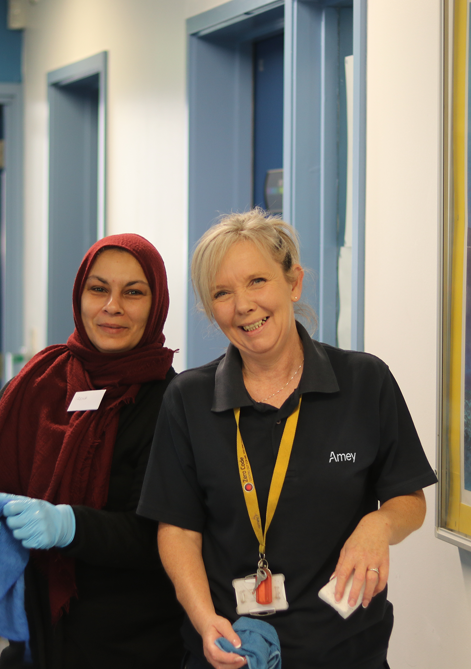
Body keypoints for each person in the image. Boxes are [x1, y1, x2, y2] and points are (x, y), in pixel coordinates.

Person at [138, 211, 437, 669]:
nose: (242, 305)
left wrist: (378, 526)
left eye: (257, 280)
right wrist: (204, 622)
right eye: (222, 292)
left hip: (345, 652)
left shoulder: (364, 381)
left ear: (293, 283)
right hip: (232, 651)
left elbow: (408, 498)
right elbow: (177, 529)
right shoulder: (188, 399)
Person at [0, 234, 184, 669]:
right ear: (80, 295)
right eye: (99, 289)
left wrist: (67, 525)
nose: (112, 306)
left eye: (133, 292)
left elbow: (160, 539)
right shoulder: (33, 387)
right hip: (36, 640)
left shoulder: (174, 404)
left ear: (157, 305)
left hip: (134, 647)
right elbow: (0, 494)